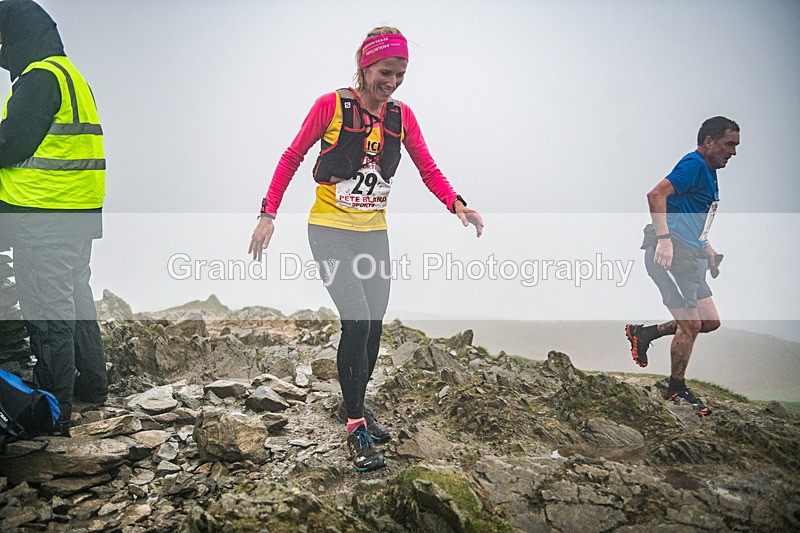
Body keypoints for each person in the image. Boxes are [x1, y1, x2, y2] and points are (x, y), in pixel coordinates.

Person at [249, 27, 483, 471]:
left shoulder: (403, 116)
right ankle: (355, 423)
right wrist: (268, 213)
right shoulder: (331, 106)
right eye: (384, 72)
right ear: (364, 65)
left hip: (374, 234)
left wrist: (456, 203)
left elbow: (427, 166)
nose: (392, 82)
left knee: (373, 327)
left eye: (400, 74)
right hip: (330, 232)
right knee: (356, 321)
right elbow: (292, 155)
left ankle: (351, 404)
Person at [0, 0, 108, 435]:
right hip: (77, 212)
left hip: (42, 218)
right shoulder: (71, 76)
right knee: (75, 300)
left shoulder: (39, 79)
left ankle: (53, 408)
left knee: (48, 313)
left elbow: (12, 143)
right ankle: (93, 385)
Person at [626, 116, 740, 416]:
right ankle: (675, 389)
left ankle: (645, 333)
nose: (734, 152)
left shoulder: (710, 173)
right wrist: (663, 239)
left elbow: (691, 219)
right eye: (729, 144)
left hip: (692, 257)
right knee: (691, 325)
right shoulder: (694, 165)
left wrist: (709, 250)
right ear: (709, 142)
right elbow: (656, 195)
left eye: (736, 146)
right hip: (671, 257)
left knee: (709, 322)